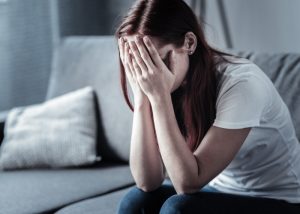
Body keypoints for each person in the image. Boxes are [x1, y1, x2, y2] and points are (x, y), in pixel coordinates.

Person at [114, 0, 300, 213]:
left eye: (157, 60)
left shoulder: (242, 84)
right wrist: (141, 97)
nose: (148, 73)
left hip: (279, 199)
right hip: (219, 189)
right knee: (136, 202)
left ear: (189, 43)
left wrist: (158, 97)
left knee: (179, 208)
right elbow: (148, 182)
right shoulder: (166, 83)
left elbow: (188, 183)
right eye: (138, 61)